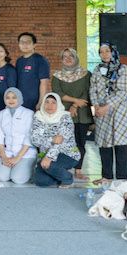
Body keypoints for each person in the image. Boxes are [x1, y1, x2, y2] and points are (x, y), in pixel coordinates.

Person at [90, 42, 127, 184]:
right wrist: (96, 106)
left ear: (113, 52)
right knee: (104, 146)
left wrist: (107, 106)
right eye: (101, 52)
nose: (104, 54)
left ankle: (121, 180)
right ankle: (106, 177)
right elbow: (93, 89)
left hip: (118, 113)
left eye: (107, 51)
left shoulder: (123, 69)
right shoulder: (97, 70)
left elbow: (123, 92)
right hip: (101, 113)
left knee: (120, 146)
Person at [52, 48, 92, 180]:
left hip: (82, 113)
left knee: (80, 143)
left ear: (76, 58)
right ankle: (63, 168)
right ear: (61, 60)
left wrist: (75, 105)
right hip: (63, 113)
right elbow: (57, 93)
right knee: (63, 142)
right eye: (65, 56)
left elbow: (87, 92)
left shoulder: (86, 74)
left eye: (71, 56)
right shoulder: (57, 75)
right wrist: (75, 101)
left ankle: (78, 170)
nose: (68, 59)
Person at [31, 93, 81, 188]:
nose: (50, 105)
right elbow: (35, 140)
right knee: (40, 181)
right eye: (47, 102)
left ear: (58, 104)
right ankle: (58, 173)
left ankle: (68, 178)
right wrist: (52, 139)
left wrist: (49, 157)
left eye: (53, 102)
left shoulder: (65, 117)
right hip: (45, 154)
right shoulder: (38, 117)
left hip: (67, 154)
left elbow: (59, 142)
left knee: (50, 166)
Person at [0, 87, 36, 184]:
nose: (11, 100)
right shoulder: (1, 114)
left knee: (17, 179)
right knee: (2, 177)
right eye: (8, 97)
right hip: (8, 152)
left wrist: (17, 158)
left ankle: (31, 168)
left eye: (14, 97)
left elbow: (28, 137)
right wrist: (4, 156)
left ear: (19, 98)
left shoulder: (29, 113)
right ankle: (14, 168)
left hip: (25, 153)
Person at [15, 32, 51, 111]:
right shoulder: (19, 61)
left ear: (34, 45)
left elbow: (44, 83)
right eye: (22, 42)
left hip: (34, 103)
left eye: (28, 42)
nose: (24, 44)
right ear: (19, 45)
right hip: (20, 102)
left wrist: (41, 102)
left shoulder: (40, 60)